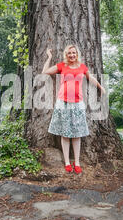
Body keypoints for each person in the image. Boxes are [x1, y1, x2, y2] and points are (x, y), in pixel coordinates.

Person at [42, 44, 106, 174]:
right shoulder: (62, 66)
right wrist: (49, 57)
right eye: (69, 53)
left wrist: (101, 87)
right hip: (63, 102)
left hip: (77, 103)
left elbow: (91, 78)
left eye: (74, 53)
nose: (72, 55)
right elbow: (45, 72)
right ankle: (67, 162)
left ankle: (76, 162)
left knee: (77, 134)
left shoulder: (82, 67)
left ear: (77, 54)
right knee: (65, 134)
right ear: (66, 54)